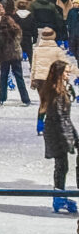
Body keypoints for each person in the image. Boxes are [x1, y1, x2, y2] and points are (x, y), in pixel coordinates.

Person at [38, 60, 79, 213]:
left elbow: (65, 118)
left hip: (58, 131)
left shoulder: (60, 89)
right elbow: (60, 117)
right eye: (66, 72)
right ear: (59, 74)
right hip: (56, 133)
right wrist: (70, 139)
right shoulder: (55, 91)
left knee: (62, 166)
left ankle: (59, 196)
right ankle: (58, 197)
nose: (69, 74)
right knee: (61, 166)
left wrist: (74, 136)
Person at [0, 10, 30, 106]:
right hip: (16, 54)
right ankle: (25, 98)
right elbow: (19, 40)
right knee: (19, 77)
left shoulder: (0, 31)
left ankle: (2, 96)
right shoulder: (17, 30)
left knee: (4, 76)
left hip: (4, 55)